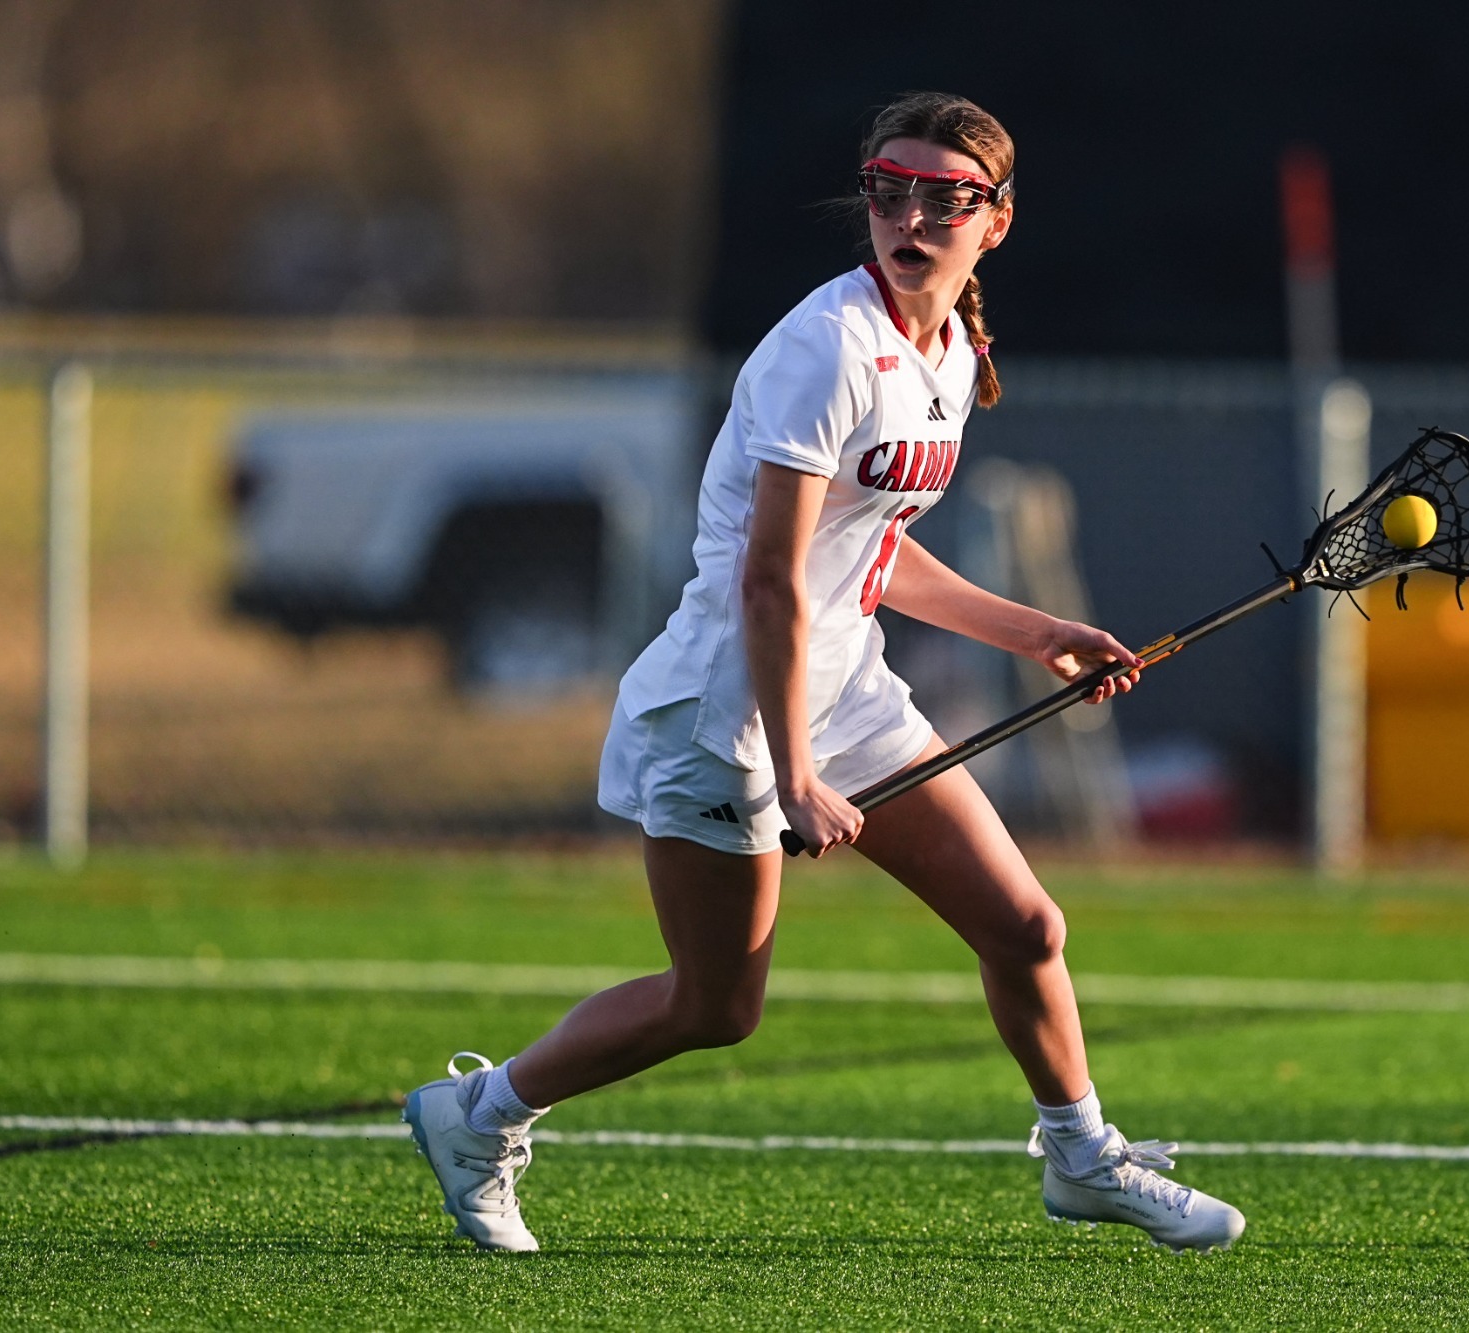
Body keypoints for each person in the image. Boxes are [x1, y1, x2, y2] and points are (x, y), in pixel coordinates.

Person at [403, 91, 1245, 1256]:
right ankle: (477, 1114)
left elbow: (876, 547)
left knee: (1025, 927)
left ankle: (1082, 1156)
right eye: (888, 189)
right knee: (715, 1007)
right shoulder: (824, 347)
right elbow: (768, 578)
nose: (909, 215)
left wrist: (1031, 629)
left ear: (993, 221)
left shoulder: (948, 350)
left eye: (943, 198)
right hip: (726, 709)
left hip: (842, 684)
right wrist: (794, 774)